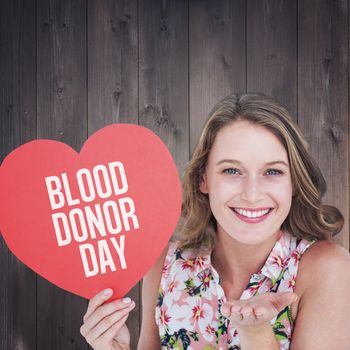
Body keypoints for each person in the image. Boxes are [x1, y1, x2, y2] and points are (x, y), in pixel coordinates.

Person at [79, 93, 350, 349]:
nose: (252, 194)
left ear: (294, 182)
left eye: (273, 172)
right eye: (232, 170)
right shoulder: (165, 263)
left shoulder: (327, 269)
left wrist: (256, 334)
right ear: (203, 178)